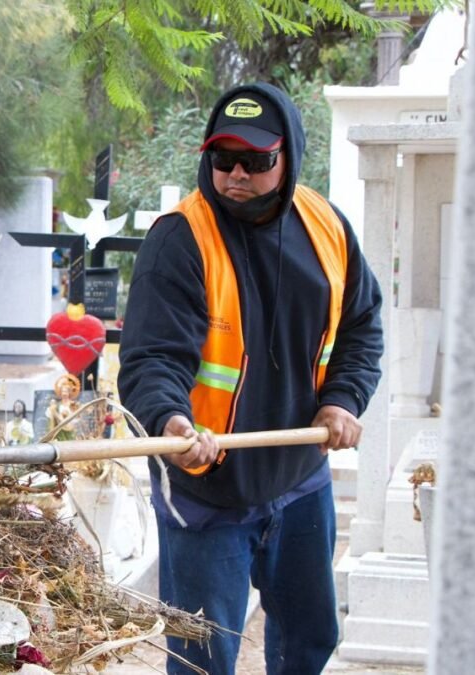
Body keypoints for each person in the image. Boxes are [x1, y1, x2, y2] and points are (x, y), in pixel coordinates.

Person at [118, 83, 383, 674]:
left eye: (256, 160)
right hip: (207, 486)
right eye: (222, 159)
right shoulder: (180, 240)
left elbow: (362, 325)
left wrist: (342, 399)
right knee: (203, 656)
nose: (236, 174)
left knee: (310, 638)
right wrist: (171, 422)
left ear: (288, 157)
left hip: (299, 477)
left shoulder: (326, 227)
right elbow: (151, 357)